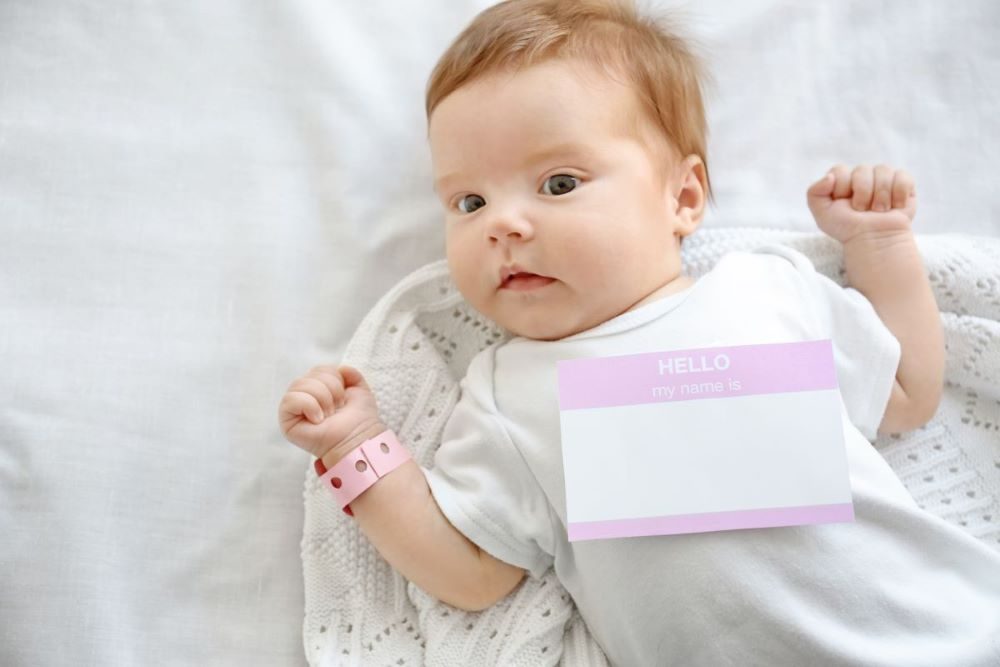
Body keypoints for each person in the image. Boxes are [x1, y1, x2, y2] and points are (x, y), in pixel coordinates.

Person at [279, 1, 1000, 664]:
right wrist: (355, 451)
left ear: (682, 197)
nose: (503, 222)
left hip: (947, 628)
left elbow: (909, 389)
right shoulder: (509, 393)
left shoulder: (761, 289)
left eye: (559, 183)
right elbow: (473, 572)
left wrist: (878, 244)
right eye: (469, 200)